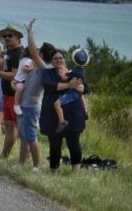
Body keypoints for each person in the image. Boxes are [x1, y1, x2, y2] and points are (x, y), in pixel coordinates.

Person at [26, 19, 87, 171]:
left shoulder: (74, 72)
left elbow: (84, 89)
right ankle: (54, 171)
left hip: (74, 113)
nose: (58, 60)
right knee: (55, 143)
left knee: (74, 143)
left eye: (61, 58)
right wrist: (30, 32)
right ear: (51, 61)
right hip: (53, 115)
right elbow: (49, 85)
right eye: (55, 58)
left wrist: (80, 92)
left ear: (64, 59)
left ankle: (76, 173)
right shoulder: (48, 73)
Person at [0, 18, 23, 159]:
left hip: (15, 96)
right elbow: (3, 47)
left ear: (18, 38)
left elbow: (14, 75)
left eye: (10, 35)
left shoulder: (18, 53)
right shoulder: (9, 52)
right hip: (7, 94)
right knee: (9, 126)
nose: (7, 38)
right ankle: (4, 155)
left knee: (13, 127)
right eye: (5, 35)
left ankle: (4, 154)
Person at [11, 42, 43, 171]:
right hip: (24, 105)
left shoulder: (41, 69)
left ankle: (36, 166)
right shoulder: (30, 63)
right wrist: (15, 84)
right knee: (24, 137)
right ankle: (21, 163)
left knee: (31, 137)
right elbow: (19, 80)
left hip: (31, 106)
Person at [53, 49, 90, 132]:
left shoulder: (74, 71)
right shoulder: (83, 71)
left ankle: (62, 121)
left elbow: (63, 78)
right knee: (81, 97)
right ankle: (85, 111)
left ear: (74, 60)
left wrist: (61, 70)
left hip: (73, 93)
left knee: (56, 104)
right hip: (79, 93)